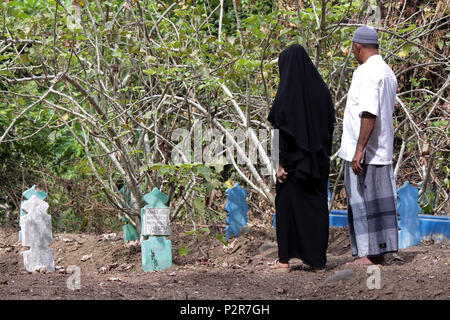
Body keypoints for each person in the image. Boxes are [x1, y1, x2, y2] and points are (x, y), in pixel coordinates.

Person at [267, 44, 335, 272]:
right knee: (315, 210)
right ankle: (316, 261)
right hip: (317, 165)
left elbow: (279, 131)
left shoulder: (285, 95)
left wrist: (278, 164)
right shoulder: (322, 92)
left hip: (291, 168)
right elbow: (329, 128)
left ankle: (284, 260)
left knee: (287, 209)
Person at [339, 26, 399, 265]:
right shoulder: (387, 71)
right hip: (382, 150)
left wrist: (359, 149)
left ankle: (366, 254)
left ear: (357, 46)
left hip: (365, 153)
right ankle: (380, 251)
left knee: (361, 202)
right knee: (381, 204)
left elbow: (369, 112)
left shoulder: (365, 73)